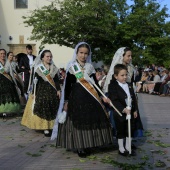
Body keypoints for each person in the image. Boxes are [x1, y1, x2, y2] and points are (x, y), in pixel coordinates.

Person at [51, 42, 113, 157]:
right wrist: (66, 102)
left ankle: (89, 143)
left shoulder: (90, 67)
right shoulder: (72, 67)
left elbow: (95, 85)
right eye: (81, 53)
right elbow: (68, 87)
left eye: (86, 53)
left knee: (89, 120)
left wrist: (101, 97)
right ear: (77, 53)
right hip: (76, 98)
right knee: (78, 121)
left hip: (90, 98)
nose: (83, 55)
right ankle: (80, 146)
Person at [21, 50, 61, 137]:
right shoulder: (39, 68)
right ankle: (45, 128)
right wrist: (33, 93)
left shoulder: (54, 68)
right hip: (42, 90)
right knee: (43, 107)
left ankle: (52, 126)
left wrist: (58, 90)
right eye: (47, 56)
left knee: (53, 107)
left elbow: (56, 80)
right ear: (42, 57)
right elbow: (35, 82)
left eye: (50, 56)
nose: (49, 58)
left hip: (52, 91)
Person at [108, 64, 138, 156]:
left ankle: (128, 147)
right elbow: (114, 100)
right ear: (116, 76)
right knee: (121, 129)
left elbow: (133, 98)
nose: (125, 77)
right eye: (122, 75)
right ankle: (121, 148)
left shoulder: (129, 85)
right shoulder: (113, 86)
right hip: (120, 112)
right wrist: (123, 109)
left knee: (130, 129)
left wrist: (135, 110)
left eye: (126, 75)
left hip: (131, 112)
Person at [0, 49, 21, 116]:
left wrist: (14, 82)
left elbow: (11, 73)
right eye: (1, 53)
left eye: (4, 53)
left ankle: (10, 111)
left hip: (8, 81)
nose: (2, 55)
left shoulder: (8, 62)